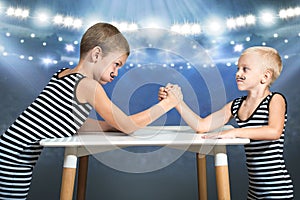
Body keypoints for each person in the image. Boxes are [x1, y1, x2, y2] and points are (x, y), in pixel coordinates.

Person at [0, 22, 182, 200]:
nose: (116, 73)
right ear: (96, 54)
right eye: (116, 64)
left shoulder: (62, 75)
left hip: (9, 156)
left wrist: (112, 125)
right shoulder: (88, 86)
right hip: (11, 165)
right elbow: (128, 125)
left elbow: (75, 125)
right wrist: (168, 104)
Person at [159, 46, 294, 199]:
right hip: (254, 191)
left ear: (265, 76)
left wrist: (234, 132)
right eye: (238, 68)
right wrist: (176, 101)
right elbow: (201, 126)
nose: (238, 73)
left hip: (278, 191)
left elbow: (273, 132)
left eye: (245, 69)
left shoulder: (275, 100)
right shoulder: (236, 105)